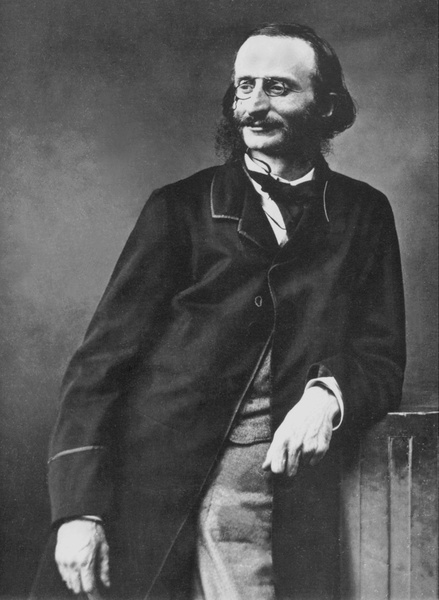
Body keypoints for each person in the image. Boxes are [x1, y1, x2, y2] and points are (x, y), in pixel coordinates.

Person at [31, 22, 406, 600]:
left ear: (326, 106)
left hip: (279, 492)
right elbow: (100, 364)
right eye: (244, 86)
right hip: (152, 482)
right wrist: (78, 511)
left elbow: (380, 358)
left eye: (278, 87)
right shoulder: (178, 208)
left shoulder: (364, 213)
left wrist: (328, 396)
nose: (253, 105)